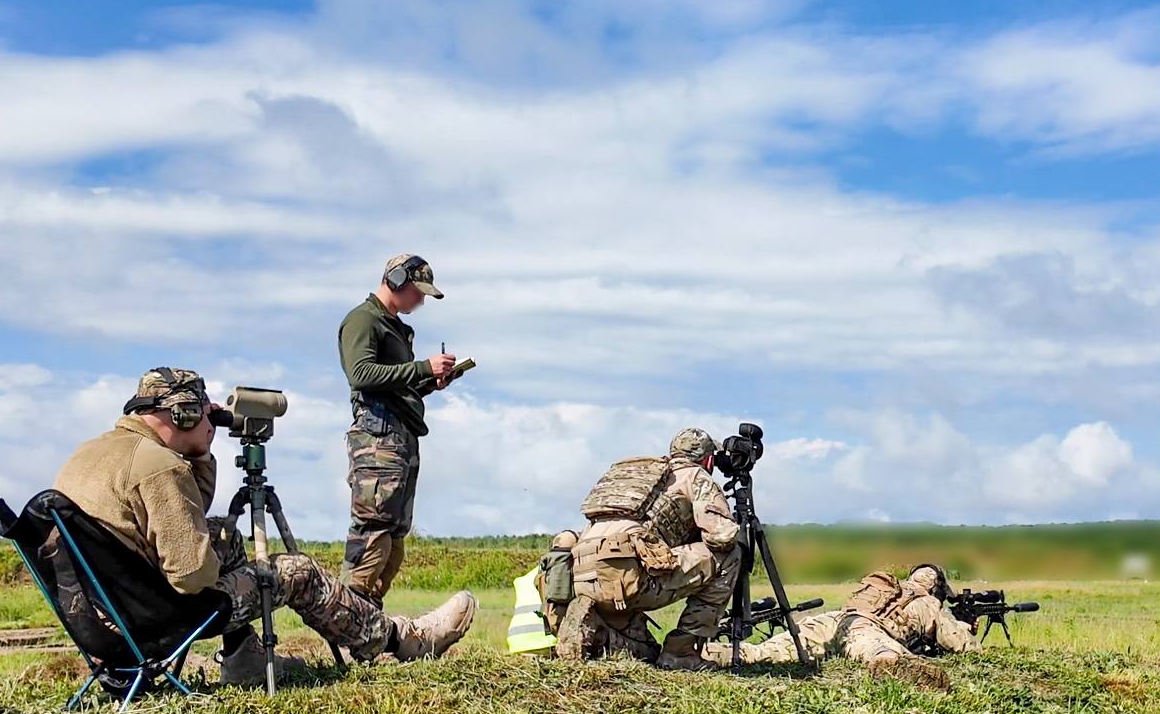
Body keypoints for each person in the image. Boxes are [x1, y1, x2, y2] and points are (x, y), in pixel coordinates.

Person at [53, 367, 477, 685]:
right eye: (203, 416)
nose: (209, 424)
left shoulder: (90, 454)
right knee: (296, 572)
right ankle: (399, 640)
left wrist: (198, 456)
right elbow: (192, 576)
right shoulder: (158, 467)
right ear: (182, 414)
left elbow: (180, 520)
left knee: (224, 534)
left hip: (100, 617)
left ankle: (243, 660)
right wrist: (196, 457)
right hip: (156, 619)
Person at [558, 429, 741, 670]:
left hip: (586, 575)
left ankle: (600, 635)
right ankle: (681, 651)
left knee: (648, 655)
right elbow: (720, 537)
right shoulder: (695, 475)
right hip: (628, 576)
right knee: (730, 554)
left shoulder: (640, 479)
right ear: (707, 460)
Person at [337, 253, 461, 606]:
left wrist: (430, 382)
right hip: (378, 441)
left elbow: (393, 385)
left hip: (399, 439)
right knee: (373, 532)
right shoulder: (363, 320)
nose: (421, 300)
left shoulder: (393, 327)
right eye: (418, 291)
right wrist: (422, 368)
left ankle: (367, 624)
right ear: (395, 280)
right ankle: (346, 620)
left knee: (393, 537)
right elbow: (361, 375)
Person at [703, 565, 977, 668]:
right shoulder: (929, 602)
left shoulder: (893, 584)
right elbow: (957, 641)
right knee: (886, 658)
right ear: (936, 587)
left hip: (832, 620)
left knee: (764, 652)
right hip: (867, 631)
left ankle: (703, 652)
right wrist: (969, 629)